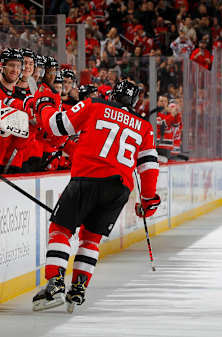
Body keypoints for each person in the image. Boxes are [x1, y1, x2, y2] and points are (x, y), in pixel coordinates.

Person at [32, 80, 160, 312]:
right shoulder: (144, 126)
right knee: (91, 238)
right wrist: (148, 199)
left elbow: (57, 125)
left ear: (112, 95)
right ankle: (78, 289)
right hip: (119, 188)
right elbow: (149, 165)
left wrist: (43, 105)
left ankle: (55, 284)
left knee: (61, 230)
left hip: (88, 177)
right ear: (134, 102)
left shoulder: (94, 105)